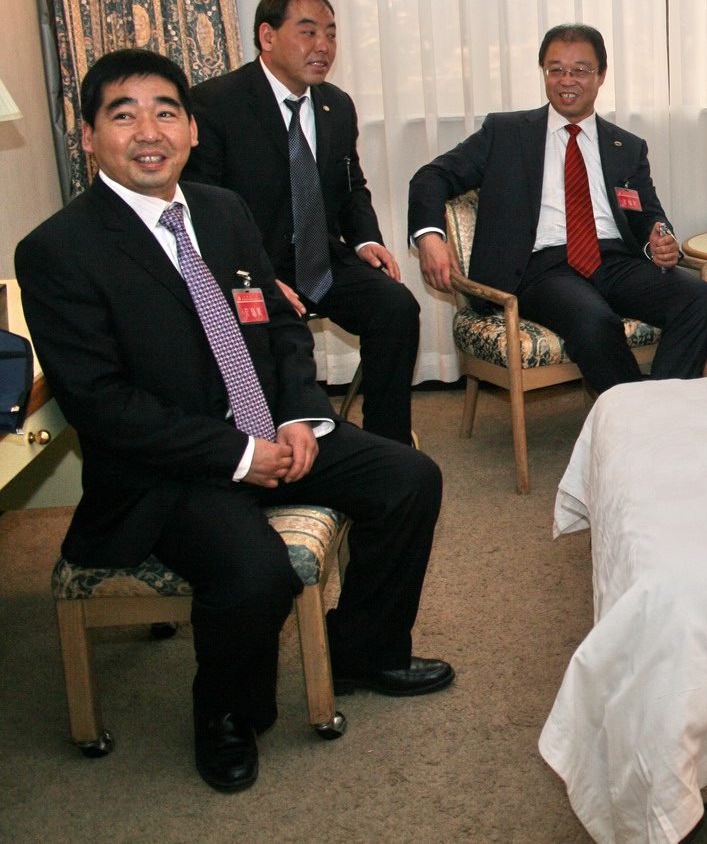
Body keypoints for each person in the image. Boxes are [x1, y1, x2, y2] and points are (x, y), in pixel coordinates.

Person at [15, 50, 452, 794]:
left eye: (166, 112)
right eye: (123, 114)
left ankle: (364, 651)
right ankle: (223, 713)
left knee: (409, 477)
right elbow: (102, 403)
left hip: (269, 427)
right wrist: (240, 454)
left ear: (190, 130)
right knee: (256, 574)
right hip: (167, 469)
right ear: (87, 135)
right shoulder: (58, 251)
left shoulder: (221, 211)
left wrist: (300, 417)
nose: (148, 131)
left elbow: (278, 323)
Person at [408, 23, 707, 392]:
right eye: (556, 69)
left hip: (615, 261)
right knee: (594, 321)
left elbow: (647, 214)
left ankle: (653, 409)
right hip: (543, 268)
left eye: (580, 70)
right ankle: (638, 416)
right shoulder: (506, 133)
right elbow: (432, 176)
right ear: (543, 72)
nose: (566, 80)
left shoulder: (626, 146)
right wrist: (430, 237)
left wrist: (658, 240)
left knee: (699, 299)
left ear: (601, 75)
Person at [189, 0, 420, 445]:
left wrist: (366, 240)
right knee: (283, 334)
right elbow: (202, 210)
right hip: (250, 268)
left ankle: (388, 442)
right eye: (308, 32)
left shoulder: (336, 105)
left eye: (331, 34)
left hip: (321, 259)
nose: (323, 46)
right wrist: (256, 275)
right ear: (267, 36)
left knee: (396, 308)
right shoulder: (215, 104)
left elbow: (352, 186)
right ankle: (294, 440)